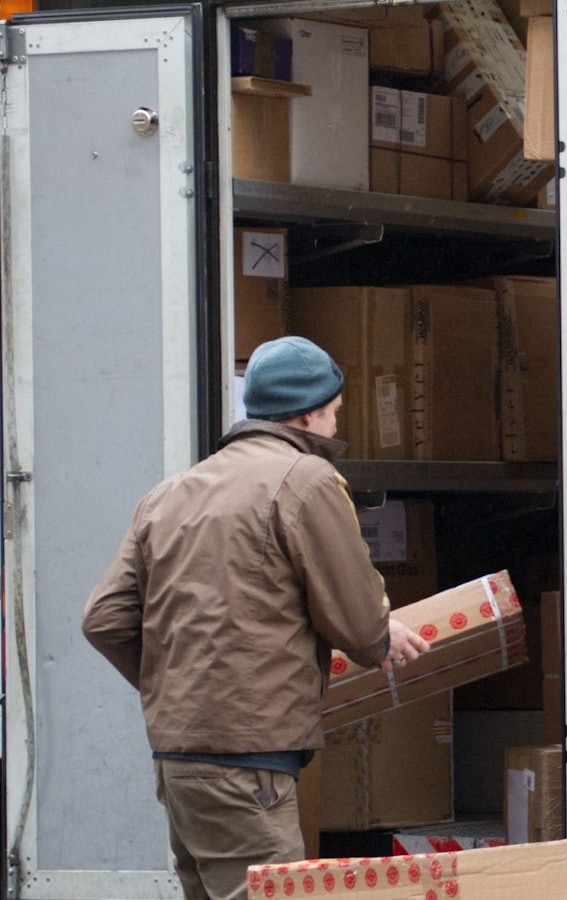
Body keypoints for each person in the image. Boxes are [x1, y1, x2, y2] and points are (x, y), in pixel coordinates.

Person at [82, 335, 429, 900]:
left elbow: (104, 619)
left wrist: (178, 687)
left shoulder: (168, 495)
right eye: (335, 413)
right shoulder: (306, 480)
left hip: (179, 765)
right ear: (309, 413)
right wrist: (381, 631)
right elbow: (361, 626)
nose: (335, 426)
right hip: (248, 769)